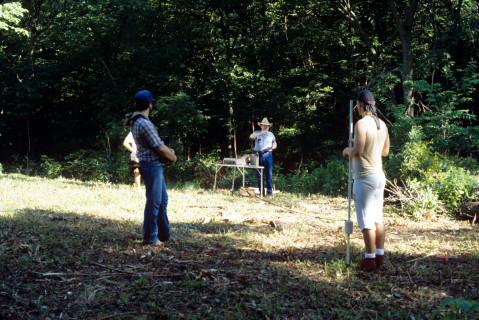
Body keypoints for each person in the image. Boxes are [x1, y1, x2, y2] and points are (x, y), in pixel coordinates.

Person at [342, 90, 390, 271]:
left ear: (360, 104)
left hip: (364, 177)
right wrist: (356, 146)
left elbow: (357, 153)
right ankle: (379, 257)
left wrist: (347, 150)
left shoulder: (361, 124)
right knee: (378, 219)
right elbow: (384, 151)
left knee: (366, 220)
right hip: (379, 176)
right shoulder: (382, 125)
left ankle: (369, 260)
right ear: (374, 104)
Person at [124, 90, 177, 246]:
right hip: (152, 166)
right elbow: (159, 147)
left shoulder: (136, 121)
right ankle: (150, 237)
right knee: (154, 202)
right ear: (149, 104)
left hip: (149, 165)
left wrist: (167, 152)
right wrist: (173, 157)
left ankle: (164, 235)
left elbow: (156, 145)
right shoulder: (144, 123)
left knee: (162, 201)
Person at [250, 117, 277, 197]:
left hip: (268, 155)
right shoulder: (257, 133)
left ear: (268, 127)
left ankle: (269, 194)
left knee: (269, 174)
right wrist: (260, 133)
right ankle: (261, 193)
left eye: (266, 126)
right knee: (259, 175)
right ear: (261, 126)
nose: (265, 127)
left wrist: (273, 147)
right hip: (258, 155)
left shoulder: (271, 134)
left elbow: (275, 144)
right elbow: (251, 136)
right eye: (263, 125)